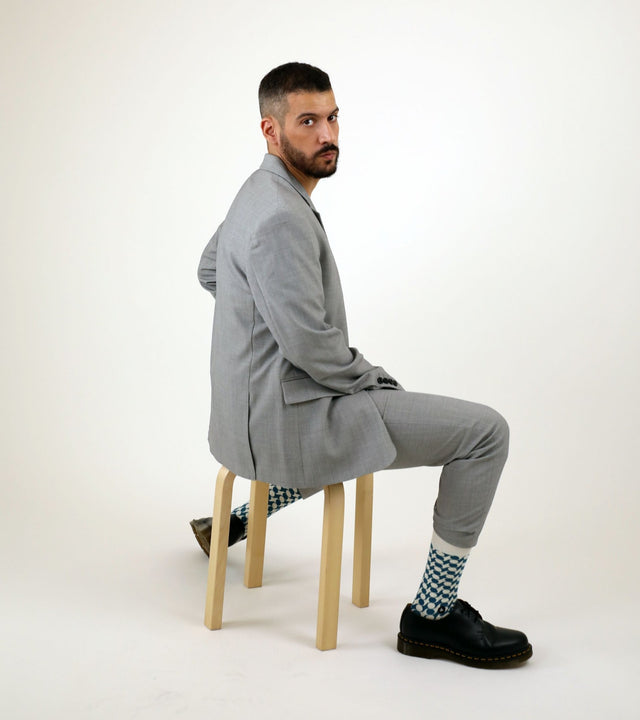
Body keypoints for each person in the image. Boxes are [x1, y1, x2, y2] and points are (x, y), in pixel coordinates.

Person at [192, 62, 532, 668]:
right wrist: (369, 376)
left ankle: (234, 521)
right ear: (271, 131)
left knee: (366, 406)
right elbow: (310, 348)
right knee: (485, 433)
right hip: (293, 421)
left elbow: (210, 270)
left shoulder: (253, 192)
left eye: (332, 117)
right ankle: (431, 615)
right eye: (307, 122)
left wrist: (255, 337)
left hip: (245, 418)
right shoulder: (278, 216)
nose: (327, 134)